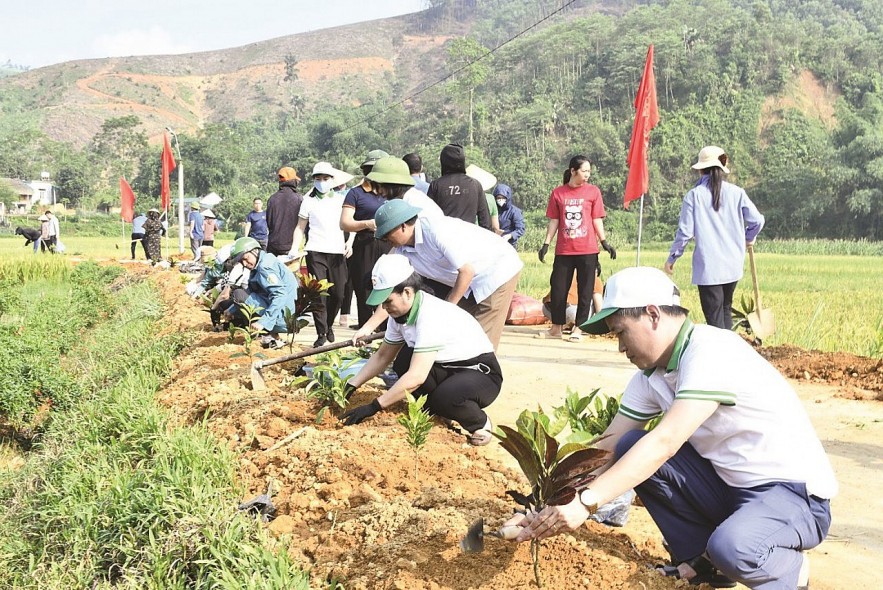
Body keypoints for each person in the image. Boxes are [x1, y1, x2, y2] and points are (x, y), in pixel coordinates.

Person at [508, 266, 836, 590]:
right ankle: (705, 564)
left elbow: (666, 442)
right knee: (629, 444)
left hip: (792, 496)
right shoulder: (651, 376)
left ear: (653, 314)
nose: (620, 347)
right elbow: (606, 447)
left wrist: (586, 503)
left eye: (620, 332)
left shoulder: (710, 350)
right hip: (731, 490)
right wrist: (542, 505)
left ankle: (789, 570)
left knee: (734, 547)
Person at [341, 254, 502, 446]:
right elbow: (383, 356)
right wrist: (351, 385)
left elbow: (417, 377)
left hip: (479, 372)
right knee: (403, 361)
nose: (384, 307)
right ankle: (438, 412)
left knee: (446, 397)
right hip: (446, 367)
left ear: (407, 293)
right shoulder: (399, 316)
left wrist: (375, 406)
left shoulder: (430, 315)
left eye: (388, 301)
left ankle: (479, 423)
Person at [355, 199, 522, 351]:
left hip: (496, 270)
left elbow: (466, 271)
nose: (385, 240)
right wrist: (367, 328)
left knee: (481, 341)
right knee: (456, 331)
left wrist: (447, 309)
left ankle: (483, 370)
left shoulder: (435, 230)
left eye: (386, 234)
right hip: (467, 283)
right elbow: (390, 293)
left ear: (403, 226)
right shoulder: (400, 251)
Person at [664, 146, 765, 330]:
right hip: (733, 264)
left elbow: (685, 232)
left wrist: (672, 258)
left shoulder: (693, 196)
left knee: (715, 318)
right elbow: (757, 220)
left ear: (701, 169)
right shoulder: (737, 193)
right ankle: (729, 345)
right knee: (725, 309)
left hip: (709, 267)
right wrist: (747, 238)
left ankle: (722, 347)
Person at [538, 155, 616, 343]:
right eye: (584, 171)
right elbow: (554, 220)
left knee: (586, 290)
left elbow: (596, 219)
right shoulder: (558, 193)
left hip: (587, 249)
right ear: (573, 171)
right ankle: (556, 328)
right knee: (558, 289)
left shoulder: (593, 192)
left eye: (589, 171)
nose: (587, 174)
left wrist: (604, 242)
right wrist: (546, 243)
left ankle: (579, 328)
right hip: (564, 250)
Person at [292, 162, 352, 347]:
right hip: (315, 250)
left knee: (338, 293)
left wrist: (350, 242)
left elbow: (351, 222)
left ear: (332, 180)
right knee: (319, 293)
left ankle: (329, 324)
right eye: (318, 179)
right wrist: (294, 248)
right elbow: (300, 227)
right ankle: (321, 332)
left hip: (337, 252)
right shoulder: (308, 201)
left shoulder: (341, 200)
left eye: (326, 178)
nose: (322, 182)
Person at [339, 149, 390, 328]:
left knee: (388, 286)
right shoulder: (356, 193)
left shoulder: (391, 192)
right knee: (364, 290)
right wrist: (366, 223)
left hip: (389, 244)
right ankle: (365, 331)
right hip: (364, 244)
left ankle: (386, 331)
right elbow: (345, 223)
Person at [227, 236, 297, 349]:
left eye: (246, 258)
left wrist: (263, 322)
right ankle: (268, 334)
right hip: (279, 312)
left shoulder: (265, 267)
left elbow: (280, 295)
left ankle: (266, 335)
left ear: (255, 251)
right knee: (233, 301)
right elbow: (252, 291)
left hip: (283, 317)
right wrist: (231, 310)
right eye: (241, 261)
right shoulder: (260, 263)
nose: (245, 263)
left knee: (238, 295)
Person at [427, 143, 492, 230]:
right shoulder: (475, 185)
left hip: (444, 236)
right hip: (468, 235)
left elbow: (428, 217)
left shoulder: (436, 185)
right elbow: (485, 221)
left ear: (444, 162)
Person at [542, 264, 603, 329]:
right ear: (596, 271)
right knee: (592, 299)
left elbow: (548, 298)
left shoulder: (567, 274)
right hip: (571, 312)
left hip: (548, 310)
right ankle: (580, 324)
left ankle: (564, 324)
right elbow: (599, 307)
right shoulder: (594, 278)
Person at [266, 166, 303, 256]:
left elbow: (269, 222)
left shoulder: (272, 199)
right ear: (293, 181)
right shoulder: (299, 199)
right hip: (291, 246)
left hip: (273, 245)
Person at [493, 184, 526, 248]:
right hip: (495, 243)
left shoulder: (515, 211)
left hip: (509, 244)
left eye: (503, 198)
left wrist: (509, 236)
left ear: (507, 198)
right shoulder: (494, 210)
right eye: (498, 198)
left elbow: (520, 229)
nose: (500, 200)